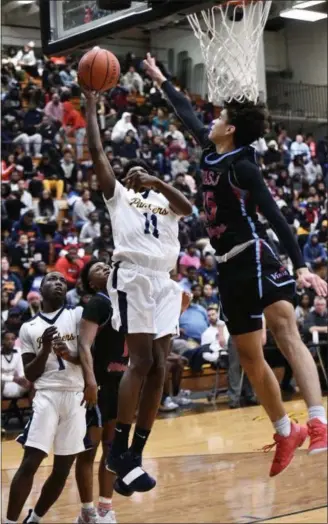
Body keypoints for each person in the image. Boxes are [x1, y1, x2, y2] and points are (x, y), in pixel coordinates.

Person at [143, 53, 327, 476]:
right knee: (246, 355)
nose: (211, 119)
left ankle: (318, 422)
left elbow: (276, 216)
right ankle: (286, 431)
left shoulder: (243, 165)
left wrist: (300, 265)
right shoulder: (211, 151)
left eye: (219, 116)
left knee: (284, 332)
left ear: (230, 129)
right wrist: (161, 80)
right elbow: (187, 113)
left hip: (254, 255)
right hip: (227, 268)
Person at [83, 86, 192, 496]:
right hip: (133, 277)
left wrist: (159, 181)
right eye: (134, 173)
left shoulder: (164, 203)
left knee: (161, 366)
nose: (137, 176)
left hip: (164, 280)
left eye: (143, 173)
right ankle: (119, 449)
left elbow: (188, 208)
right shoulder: (120, 198)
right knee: (142, 360)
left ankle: (133, 455)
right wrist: (92, 105)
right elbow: (97, 154)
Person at [5, 272, 88, 524]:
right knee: (31, 460)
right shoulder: (29, 327)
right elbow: (30, 373)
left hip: (76, 395)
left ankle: (36, 518)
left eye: (63, 281)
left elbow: (90, 353)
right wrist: (45, 350)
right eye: (52, 280)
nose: (59, 283)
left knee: (63, 468)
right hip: (47, 395)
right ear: (41, 289)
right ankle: (9, 521)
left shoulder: (78, 315)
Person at [75, 260, 128, 524]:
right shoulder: (98, 302)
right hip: (99, 386)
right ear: (91, 283)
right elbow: (83, 345)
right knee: (89, 450)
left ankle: (105, 508)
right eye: (97, 268)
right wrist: (90, 381)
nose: (105, 268)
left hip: (120, 385)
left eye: (106, 265)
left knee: (111, 449)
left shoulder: (125, 299)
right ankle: (86, 512)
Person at [1, 331, 30, 399]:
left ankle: (32, 407)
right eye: (7, 339)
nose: (10, 341)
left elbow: (20, 369)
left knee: (32, 383)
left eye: (13, 339)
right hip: (3, 381)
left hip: (15, 381)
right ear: (2, 341)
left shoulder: (18, 351)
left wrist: (22, 378)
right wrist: (13, 378)